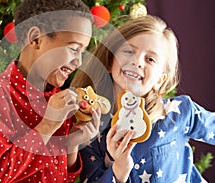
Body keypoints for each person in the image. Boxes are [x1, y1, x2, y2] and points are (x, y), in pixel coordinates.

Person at [0, 0, 100, 182]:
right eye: (74, 48)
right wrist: (48, 124)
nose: (79, 62)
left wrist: (71, 144)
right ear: (36, 39)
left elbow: (62, 177)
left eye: (83, 51)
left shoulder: (60, 100)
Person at [71, 15, 215, 182]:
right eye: (129, 51)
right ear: (110, 62)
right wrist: (118, 170)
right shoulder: (89, 131)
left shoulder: (179, 112)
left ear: (159, 80)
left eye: (150, 59)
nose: (137, 61)